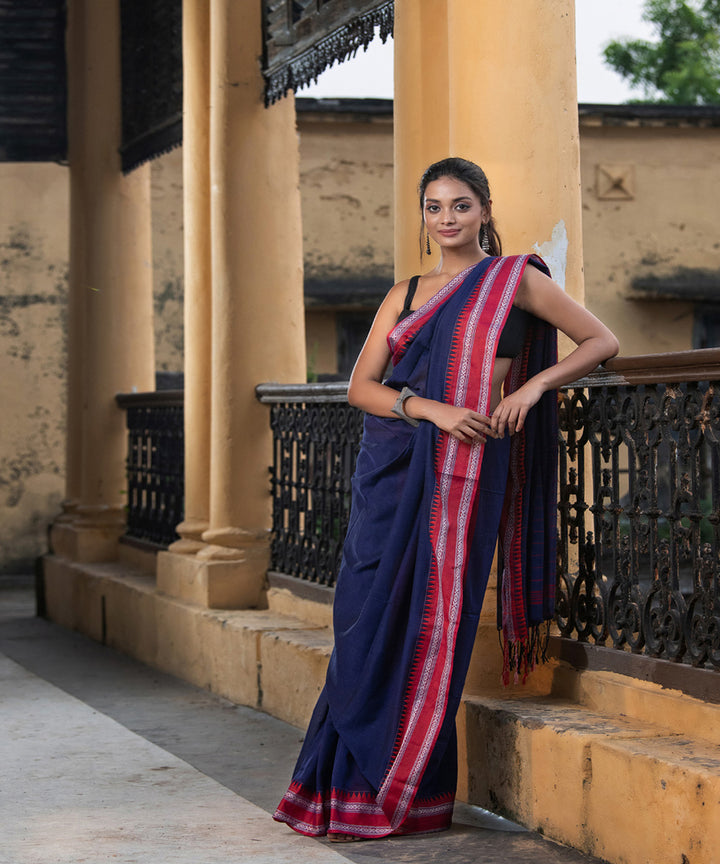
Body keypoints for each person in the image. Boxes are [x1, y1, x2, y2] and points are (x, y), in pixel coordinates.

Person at [274, 157, 619, 842]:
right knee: (363, 622)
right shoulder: (404, 294)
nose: (447, 220)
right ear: (423, 216)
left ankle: (403, 793)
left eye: (461, 205)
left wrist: (529, 388)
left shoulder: (512, 281)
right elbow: (362, 387)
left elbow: (602, 340)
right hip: (394, 465)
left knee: (433, 618)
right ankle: (337, 789)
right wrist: (428, 409)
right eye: (434, 207)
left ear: (485, 211)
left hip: (463, 473)